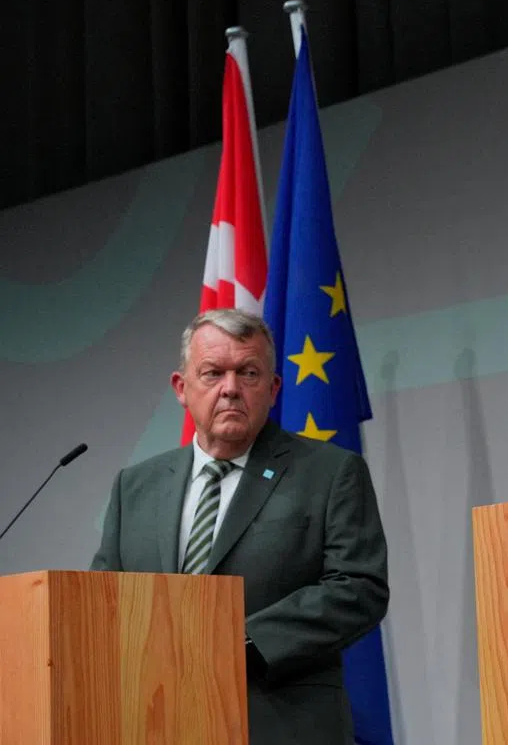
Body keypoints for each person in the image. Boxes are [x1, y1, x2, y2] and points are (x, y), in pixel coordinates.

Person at [91, 308, 389, 745]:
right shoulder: (136, 486)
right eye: (213, 373)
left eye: (248, 373)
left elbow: (359, 588)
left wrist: (239, 643)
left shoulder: (329, 472)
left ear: (272, 389)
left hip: (282, 723)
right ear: (181, 387)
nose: (231, 389)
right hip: (157, 723)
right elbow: (103, 602)